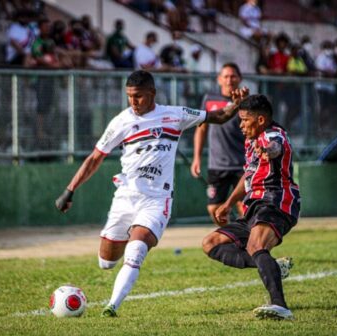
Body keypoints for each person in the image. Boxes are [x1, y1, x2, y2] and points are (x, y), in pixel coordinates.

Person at [55, 70, 249, 317]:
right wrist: (69, 190)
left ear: (152, 93)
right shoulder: (120, 122)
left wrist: (236, 104)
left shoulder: (175, 115)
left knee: (136, 251)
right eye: (129, 97)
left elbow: (219, 116)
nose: (133, 102)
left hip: (157, 199)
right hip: (125, 198)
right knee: (106, 262)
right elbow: (95, 158)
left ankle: (111, 307)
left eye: (138, 96)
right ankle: (130, 234)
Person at [202, 94, 300, 320]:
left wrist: (268, 152)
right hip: (254, 206)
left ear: (261, 121)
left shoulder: (273, 135)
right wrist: (227, 204)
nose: (240, 125)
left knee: (256, 245)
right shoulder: (250, 141)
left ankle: (280, 306)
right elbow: (248, 175)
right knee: (210, 243)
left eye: (245, 120)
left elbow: (275, 147)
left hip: (277, 201)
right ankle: (273, 266)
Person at [190, 63, 245, 225]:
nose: (229, 80)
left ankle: (248, 240)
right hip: (217, 165)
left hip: (242, 164)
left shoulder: (246, 102)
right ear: (219, 79)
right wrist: (196, 158)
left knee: (245, 206)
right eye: (226, 76)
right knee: (214, 209)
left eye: (233, 76)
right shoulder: (209, 99)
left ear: (239, 78)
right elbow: (201, 130)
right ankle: (230, 238)